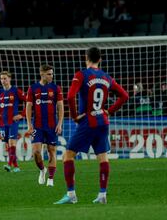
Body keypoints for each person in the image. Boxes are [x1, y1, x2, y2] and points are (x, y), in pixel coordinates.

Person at [55, 47, 129, 204]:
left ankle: (71, 194)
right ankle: (102, 195)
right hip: (103, 121)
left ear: (86, 58)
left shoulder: (81, 74)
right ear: (100, 59)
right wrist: (109, 111)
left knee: (68, 155)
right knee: (102, 157)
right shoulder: (107, 77)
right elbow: (124, 95)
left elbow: (70, 96)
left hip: (88, 121)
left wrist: (75, 116)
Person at [26, 64, 64, 187]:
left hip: (52, 126)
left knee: (51, 151)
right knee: (36, 152)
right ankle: (42, 170)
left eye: (52, 74)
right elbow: (28, 107)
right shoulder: (33, 88)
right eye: (49, 74)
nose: (51, 76)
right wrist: (29, 125)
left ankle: (51, 178)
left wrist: (60, 123)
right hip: (37, 126)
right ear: (42, 74)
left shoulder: (56, 88)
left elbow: (60, 106)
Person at [0, 71, 26, 172]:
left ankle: (9, 164)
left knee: (12, 142)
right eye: (1, 79)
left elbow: (28, 102)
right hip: (2, 122)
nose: (3, 81)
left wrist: (21, 115)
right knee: (7, 144)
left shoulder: (16, 91)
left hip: (13, 121)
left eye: (5, 78)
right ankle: (16, 167)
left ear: (10, 79)